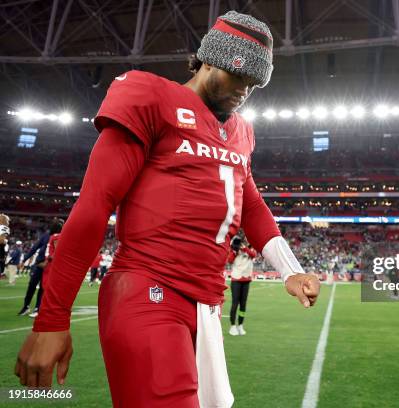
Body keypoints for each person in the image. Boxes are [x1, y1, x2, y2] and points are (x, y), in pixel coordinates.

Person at [15, 11, 320, 408]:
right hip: (147, 289)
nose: (244, 89)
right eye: (236, 74)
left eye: (253, 83)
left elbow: (252, 205)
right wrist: (52, 319)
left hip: (207, 303)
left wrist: (290, 270)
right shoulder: (150, 96)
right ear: (207, 59)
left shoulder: (241, 131)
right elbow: (94, 206)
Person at [17, 218, 63, 316]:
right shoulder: (46, 236)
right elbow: (34, 248)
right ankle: (26, 306)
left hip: (48, 265)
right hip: (39, 264)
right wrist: (24, 259)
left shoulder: (58, 237)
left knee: (43, 288)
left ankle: (38, 308)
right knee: (32, 285)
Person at [227, 236, 257, 336]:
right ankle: (232, 326)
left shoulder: (251, 249)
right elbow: (230, 261)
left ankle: (240, 325)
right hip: (236, 279)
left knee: (243, 305)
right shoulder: (234, 250)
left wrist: (244, 249)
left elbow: (253, 255)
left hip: (246, 279)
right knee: (235, 304)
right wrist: (235, 251)